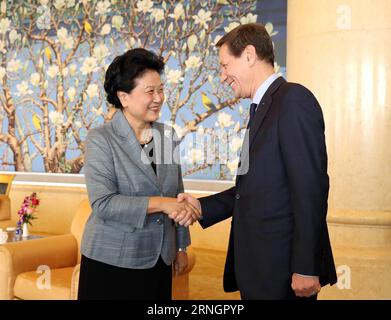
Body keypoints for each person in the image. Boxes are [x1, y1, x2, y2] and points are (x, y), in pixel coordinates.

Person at [170, 23, 337, 299]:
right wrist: (202, 206)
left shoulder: (293, 100)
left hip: (284, 270)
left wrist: (307, 266)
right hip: (260, 269)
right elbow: (253, 189)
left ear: (249, 55)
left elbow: (310, 188)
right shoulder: (260, 109)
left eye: (225, 66)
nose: (223, 77)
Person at [78, 48, 201, 300]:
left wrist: (180, 246)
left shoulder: (166, 136)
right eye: (150, 91)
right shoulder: (101, 139)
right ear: (124, 97)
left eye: (161, 89)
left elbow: (176, 193)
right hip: (112, 260)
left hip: (160, 259)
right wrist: (162, 204)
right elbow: (103, 203)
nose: (159, 98)